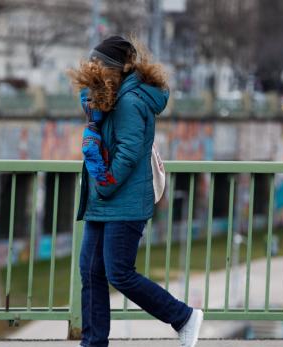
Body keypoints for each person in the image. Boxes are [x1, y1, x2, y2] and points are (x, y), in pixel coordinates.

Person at [68, 35, 203, 347]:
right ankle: (93, 343)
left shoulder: (130, 102)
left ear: (114, 68)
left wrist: (106, 182)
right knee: (90, 271)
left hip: (123, 199)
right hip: (104, 200)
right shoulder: (112, 98)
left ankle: (183, 317)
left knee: (119, 273)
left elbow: (128, 152)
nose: (91, 68)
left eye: (97, 63)